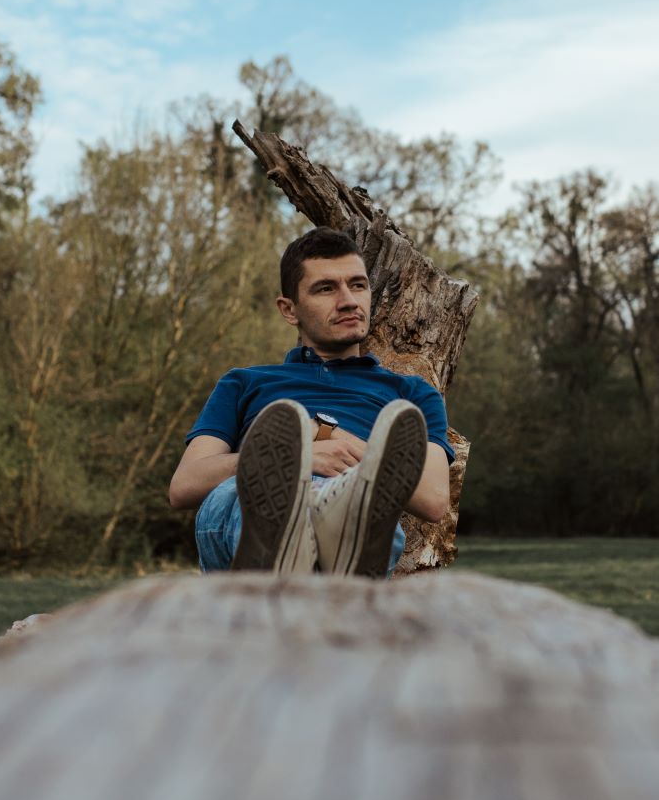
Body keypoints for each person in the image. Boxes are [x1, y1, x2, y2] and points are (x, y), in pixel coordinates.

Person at [168, 227, 455, 576]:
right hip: (246, 510)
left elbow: (434, 499)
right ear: (290, 310)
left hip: (349, 497)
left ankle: (317, 541)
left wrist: (324, 436)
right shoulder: (244, 382)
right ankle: (305, 541)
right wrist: (285, 456)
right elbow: (185, 486)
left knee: (355, 498)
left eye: (358, 285)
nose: (348, 300)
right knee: (267, 495)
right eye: (326, 288)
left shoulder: (411, 394)